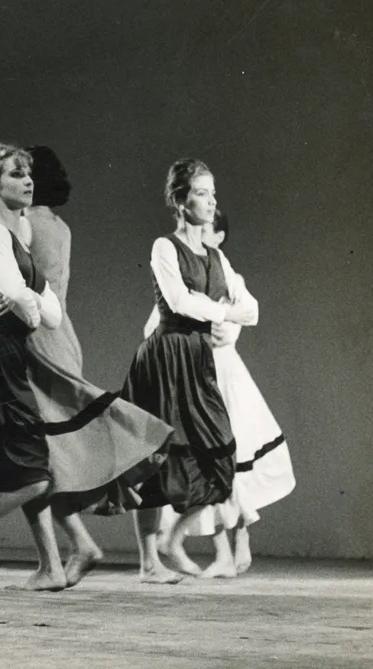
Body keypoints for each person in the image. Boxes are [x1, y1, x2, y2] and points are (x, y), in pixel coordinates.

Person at [0, 142, 172, 596]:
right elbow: (25, 298)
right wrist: (21, 300)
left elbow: (39, 307)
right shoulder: (2, 233)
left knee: (37, 464)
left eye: (28, 172)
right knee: (5, 458)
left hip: (21, 350)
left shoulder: (27, 232)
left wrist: (22, 300)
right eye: (15, 173)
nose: (27, 180)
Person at [121, 159, 258, 583]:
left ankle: (170, 539)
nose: (212, 200)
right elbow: (179, 301)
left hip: (198, 360)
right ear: (181, 201)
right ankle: (149, 563)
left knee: (220, 456)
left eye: (213, 192)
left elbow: (252, 309)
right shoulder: (165, 247)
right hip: (164, 358)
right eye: (202, 192)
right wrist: (224, 311)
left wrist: (229, 319)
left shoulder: (217, 256)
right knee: (154, 456)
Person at [150, 210, 294, 577]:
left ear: (219, 238)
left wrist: (219, 317)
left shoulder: (228, 276)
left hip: (226, 377)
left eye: (209, 232)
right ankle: (221, 553)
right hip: (193, 376)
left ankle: (233, 545)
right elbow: (155, 324)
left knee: (234, 462)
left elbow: (236, 324)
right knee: (207, 462)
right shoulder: (181, 281)